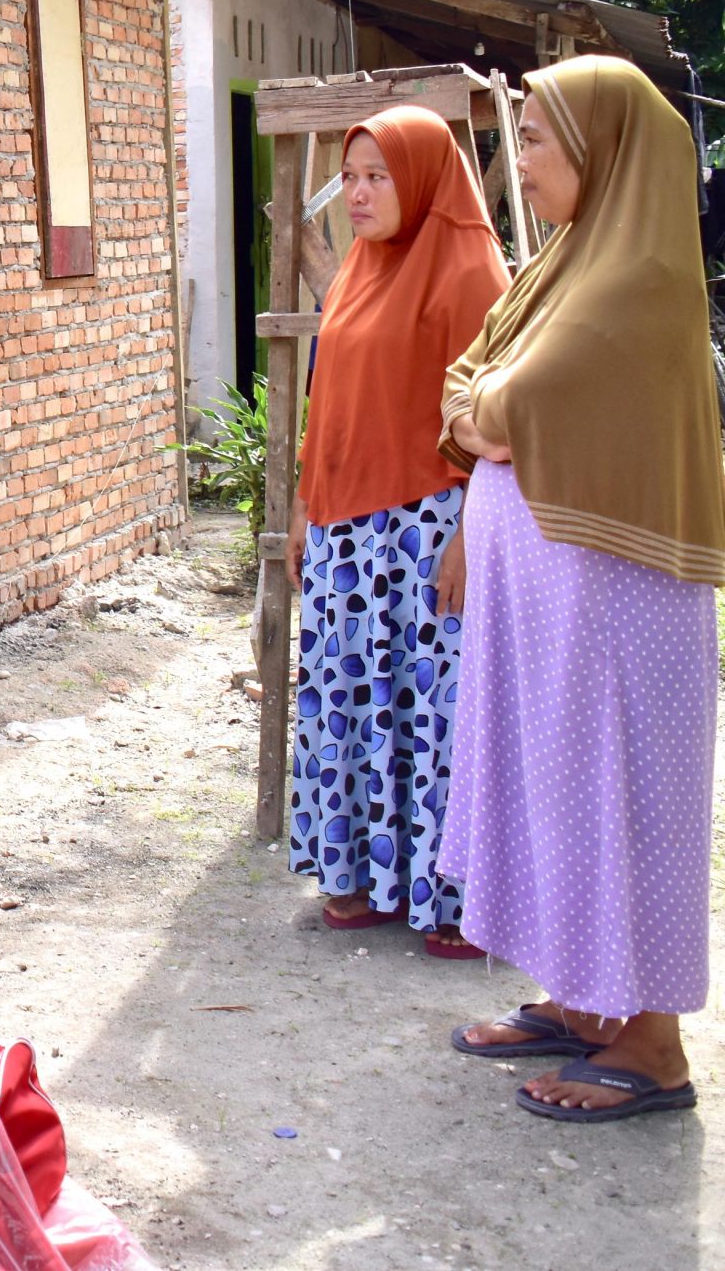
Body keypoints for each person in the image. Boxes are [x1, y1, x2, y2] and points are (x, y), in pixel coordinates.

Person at [439, 56, 725, 1123]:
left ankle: (650, 1045)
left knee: (618, 794)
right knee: (561, 786)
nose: (521, 162)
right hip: (556, 596)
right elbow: (466, 377)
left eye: (536, 140)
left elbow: (503, 409)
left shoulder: (635, 282)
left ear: (602, 151)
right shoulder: (563, 265)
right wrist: (482, 411)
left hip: (613, 606)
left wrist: (485, 416)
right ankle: (585, 1001)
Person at [283, 106, 507, 958]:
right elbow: (326, 401)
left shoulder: (469, 271)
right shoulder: (354, 272)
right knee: (350, 695)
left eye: (379, 175)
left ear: (418, 178)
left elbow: (492, 419)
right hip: (348, 533)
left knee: (434, 712)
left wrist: (468, 534)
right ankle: (360, 877)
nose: (361, 192)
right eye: (351, 176)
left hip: (429, 530)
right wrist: (309, 506)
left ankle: (449, 899)